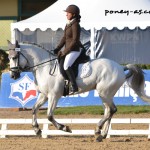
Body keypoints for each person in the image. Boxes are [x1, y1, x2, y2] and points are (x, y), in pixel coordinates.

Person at [54, 5, 82, 94]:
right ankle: (65, 83)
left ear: (73, 14)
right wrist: (57, 48)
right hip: (69, 49)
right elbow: (64, 38)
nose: (66, 14)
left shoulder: (75, 25)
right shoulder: (68, 24)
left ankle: (74, 86)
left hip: (74, 50)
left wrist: (65, 51)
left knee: (66, 65)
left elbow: (75, 40)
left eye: (68, 13)